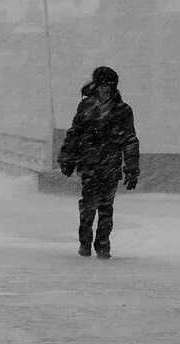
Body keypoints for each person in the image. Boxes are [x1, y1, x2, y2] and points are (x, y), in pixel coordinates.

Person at [57, 66, 140, 259]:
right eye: (102, 85)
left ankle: (103, 245)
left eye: (108, 85)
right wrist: (67, 158)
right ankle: (85, 243)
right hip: (89, 164)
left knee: (105, 207)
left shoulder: (123, 111)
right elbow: (74, 133)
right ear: (97, 85)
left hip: (110, 166)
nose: (105, 89)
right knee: (88, 205)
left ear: (113, 87)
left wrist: (131, 169)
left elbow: (130, 140)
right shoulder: (86, 106)